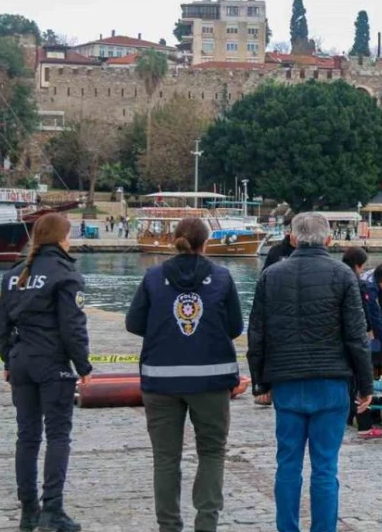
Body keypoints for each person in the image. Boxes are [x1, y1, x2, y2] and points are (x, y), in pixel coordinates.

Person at [248, 212, 373, 532]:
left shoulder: (271, 275)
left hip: (288, 382)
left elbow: (257, 333)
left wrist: (260, 381)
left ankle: (287, 528)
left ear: (292, 238)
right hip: (331, 382)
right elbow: (357, 336)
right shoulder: (344, 275)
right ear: (329, 240)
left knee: (287, 465)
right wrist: (365, 384)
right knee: (325, 469)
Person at [126, 217, 244, 532]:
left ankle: (169, 525)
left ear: (174, 239)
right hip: (211, 381)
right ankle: (206, 523)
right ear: (206, 243)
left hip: (160, 380)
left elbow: (133, 323)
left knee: (166, 458)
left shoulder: (152, 277)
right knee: (211, 452)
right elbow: (235, 327)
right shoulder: (222, 278)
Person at [0, 212, 91, 532]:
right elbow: (72, 326)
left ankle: (28, 510)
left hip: (22, 362)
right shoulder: (65, 274)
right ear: (61, 238)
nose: (70, 241)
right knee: (58, 435)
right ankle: (53, 509)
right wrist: (83, 365)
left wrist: (9, 360)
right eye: (69, 235)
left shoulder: (14, 274)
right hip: (53, 365)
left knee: (27, 436)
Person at [342, 247, 382, 440]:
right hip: (356, 335)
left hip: (337, 338)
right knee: (362, 377)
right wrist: (371, 334)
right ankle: (365, 425)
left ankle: (347, 416)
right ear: (359, 265)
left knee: (346, 379)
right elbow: (364, 313)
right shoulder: (358, 284)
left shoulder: (336, 278)